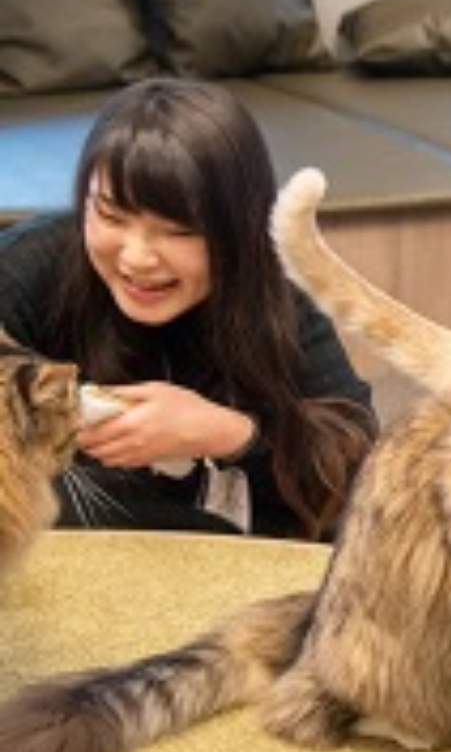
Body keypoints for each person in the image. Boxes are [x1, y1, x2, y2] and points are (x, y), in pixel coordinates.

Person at [0, 78, 375, 540]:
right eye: (111, 216)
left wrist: (229, 434)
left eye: (178, 231)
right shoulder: (30, 264)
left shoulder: (271, 289)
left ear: (239, 229)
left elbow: (364, 469)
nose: (137, 258)